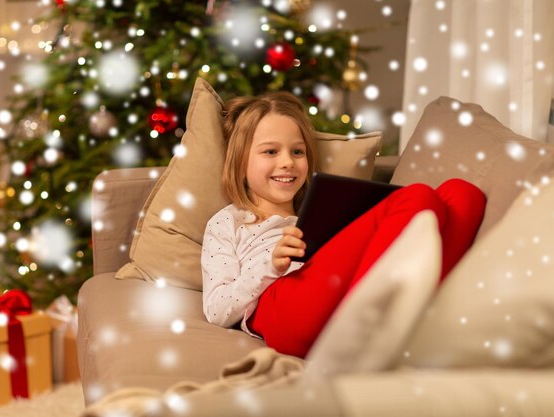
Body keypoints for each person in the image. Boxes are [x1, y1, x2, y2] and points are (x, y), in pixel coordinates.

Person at [201, 92, 486, 358]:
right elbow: (217, 311)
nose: (287, 162)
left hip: (339, 294)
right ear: (240, 162)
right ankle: (366, 333)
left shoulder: (321, 210)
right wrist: (271, 266)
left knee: (463, 194)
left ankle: (403, 325)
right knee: (417, 196)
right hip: (279, 305)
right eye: (271, 152)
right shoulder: (229, 221)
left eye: (297, 152)